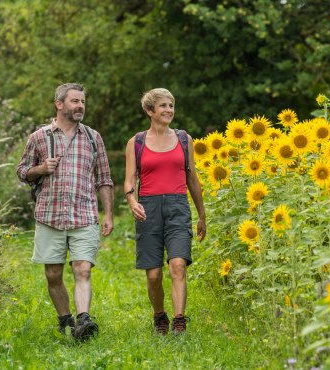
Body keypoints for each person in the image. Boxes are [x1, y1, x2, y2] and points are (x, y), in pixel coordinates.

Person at [17, 83, 114, 341]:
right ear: (59, 104)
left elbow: (104, 179)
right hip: (49, 215)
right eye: (74, 101)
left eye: (82, 101)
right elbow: (22, 171)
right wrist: (40, 169)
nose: (80, 105)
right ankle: (65, 320)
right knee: (53, 274)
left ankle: (84, 320)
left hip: (84, 216)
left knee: (83, 270)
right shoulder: (39, 137)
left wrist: (108, 214)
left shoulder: (93, 138)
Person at [124, 88, 206, 335]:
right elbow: (129, 180)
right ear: (150, 111)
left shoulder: (184, 139)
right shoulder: (136, 142)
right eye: (163, 106)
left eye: (171, 105)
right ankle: (159, 315)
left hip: (178, 206)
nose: (169, 110)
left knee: (178, 265)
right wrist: (132, 202)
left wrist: (202, 214)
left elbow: (193, 180)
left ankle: (179, 321)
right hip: (148, 209)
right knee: (154, 275)